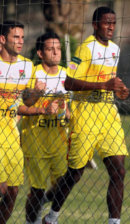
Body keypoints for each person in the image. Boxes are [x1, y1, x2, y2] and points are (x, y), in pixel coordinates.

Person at [42, 6, 129, 224]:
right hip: (86, 116)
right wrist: (103, 84)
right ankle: (52, 217)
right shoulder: (85, 49)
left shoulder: (116, 49)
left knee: (118, 171)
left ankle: (114, 222)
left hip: (108, 114)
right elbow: (68, 82)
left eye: (113, 22)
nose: (110, 26)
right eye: (106, 22)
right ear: (95, 24)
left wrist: (119, 88)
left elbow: (110, 81)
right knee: (75, 174)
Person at [18, 32, 70, 224]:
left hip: (59, 141)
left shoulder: (66, 75)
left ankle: (49, 214)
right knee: (37, 190)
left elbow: (68, 110)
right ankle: (32, 222)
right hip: (35, 140)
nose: (56, 52)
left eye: (58, 48)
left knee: (64, 184)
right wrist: (38, 95)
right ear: (40, 53)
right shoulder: (33, 73)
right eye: (50, 49)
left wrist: (65, 113)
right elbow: (25, 103)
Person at [0, 20, 39, 223]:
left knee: (13, 192)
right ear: (3, 39)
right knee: (1, 188)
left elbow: (25, 103)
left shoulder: (27, 66)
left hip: (12, 135)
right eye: (16, 37)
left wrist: (38, 95)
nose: (20, 41)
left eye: (22, 37)